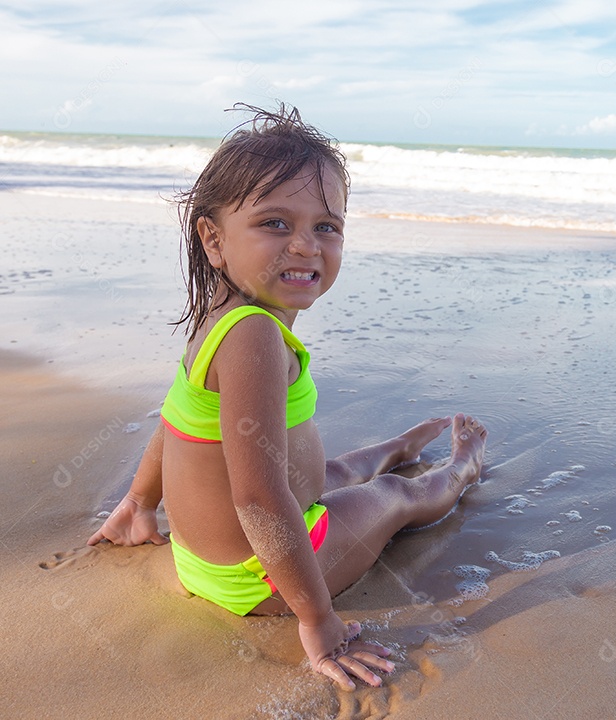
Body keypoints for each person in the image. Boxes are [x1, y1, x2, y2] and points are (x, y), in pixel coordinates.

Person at [87, 104, 487, 690]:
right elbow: (257, 497)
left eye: (326, 226)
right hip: (261, 578)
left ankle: (398, 445)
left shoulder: (219, 320)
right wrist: (318, 618)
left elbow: (175, 424)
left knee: (336, 469)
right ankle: (462, 468)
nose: (304, 245)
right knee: (396, 496)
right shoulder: (253, 337)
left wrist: (138, 504)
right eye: (275, 223)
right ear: (214, 239)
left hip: (203, 563)